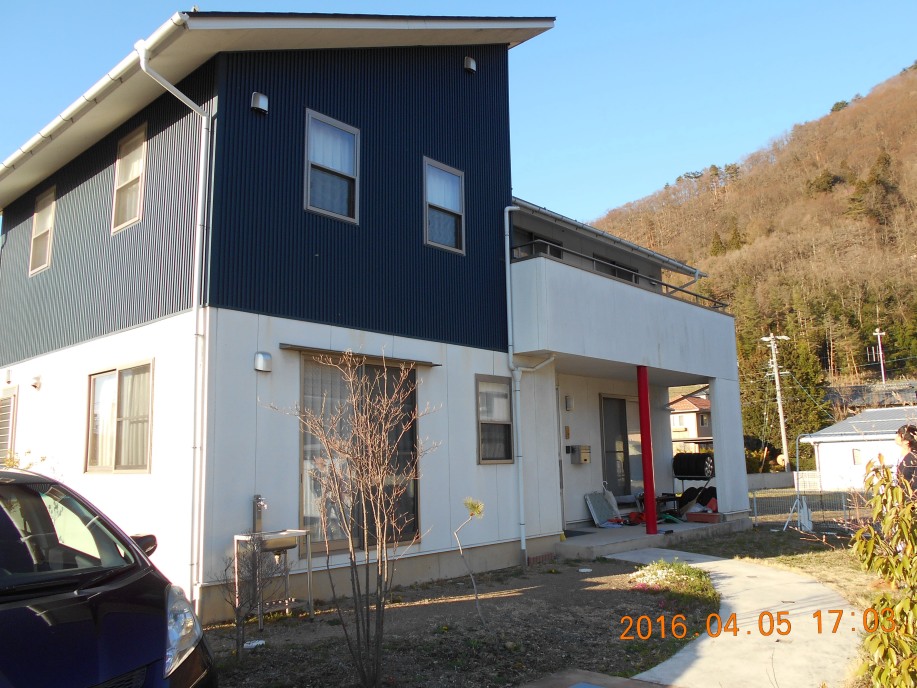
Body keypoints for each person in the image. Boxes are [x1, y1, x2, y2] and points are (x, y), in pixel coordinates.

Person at [894, 424, 917, 492]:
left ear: (906, 441)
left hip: (909, 496)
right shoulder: (902, 456)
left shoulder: (913, 458)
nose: (896, 437)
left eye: (899, 435)